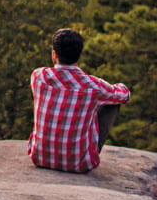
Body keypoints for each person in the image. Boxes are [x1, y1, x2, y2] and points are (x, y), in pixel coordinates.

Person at [28, 28, 131, 173]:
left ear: (54, 55)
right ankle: (83, 149)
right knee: (111, 104)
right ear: (78, 55)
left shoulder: (38, 76)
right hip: (78, 164)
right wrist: (119, 86)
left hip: (40, 158)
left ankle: (47, 144)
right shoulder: (94, 86)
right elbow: (124, 96)